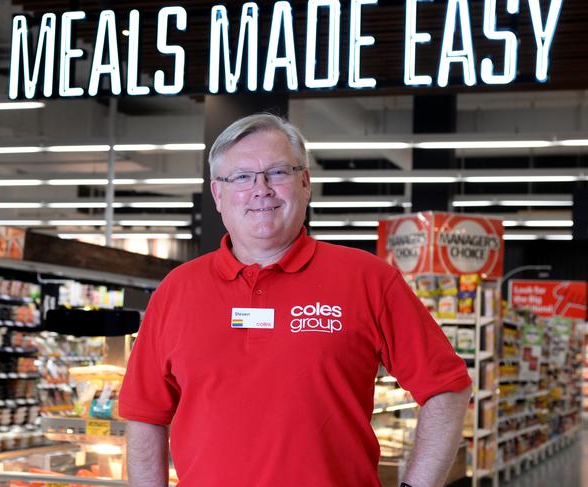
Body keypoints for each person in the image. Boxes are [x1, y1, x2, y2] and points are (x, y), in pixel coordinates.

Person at [118, 113, 472, 487]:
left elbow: (447, 387)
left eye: (277, 172)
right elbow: (145, 415)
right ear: (217, 194)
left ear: (305, 182)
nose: (261, 190)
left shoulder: (369, 279)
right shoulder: (177, 290)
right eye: (241, 177)